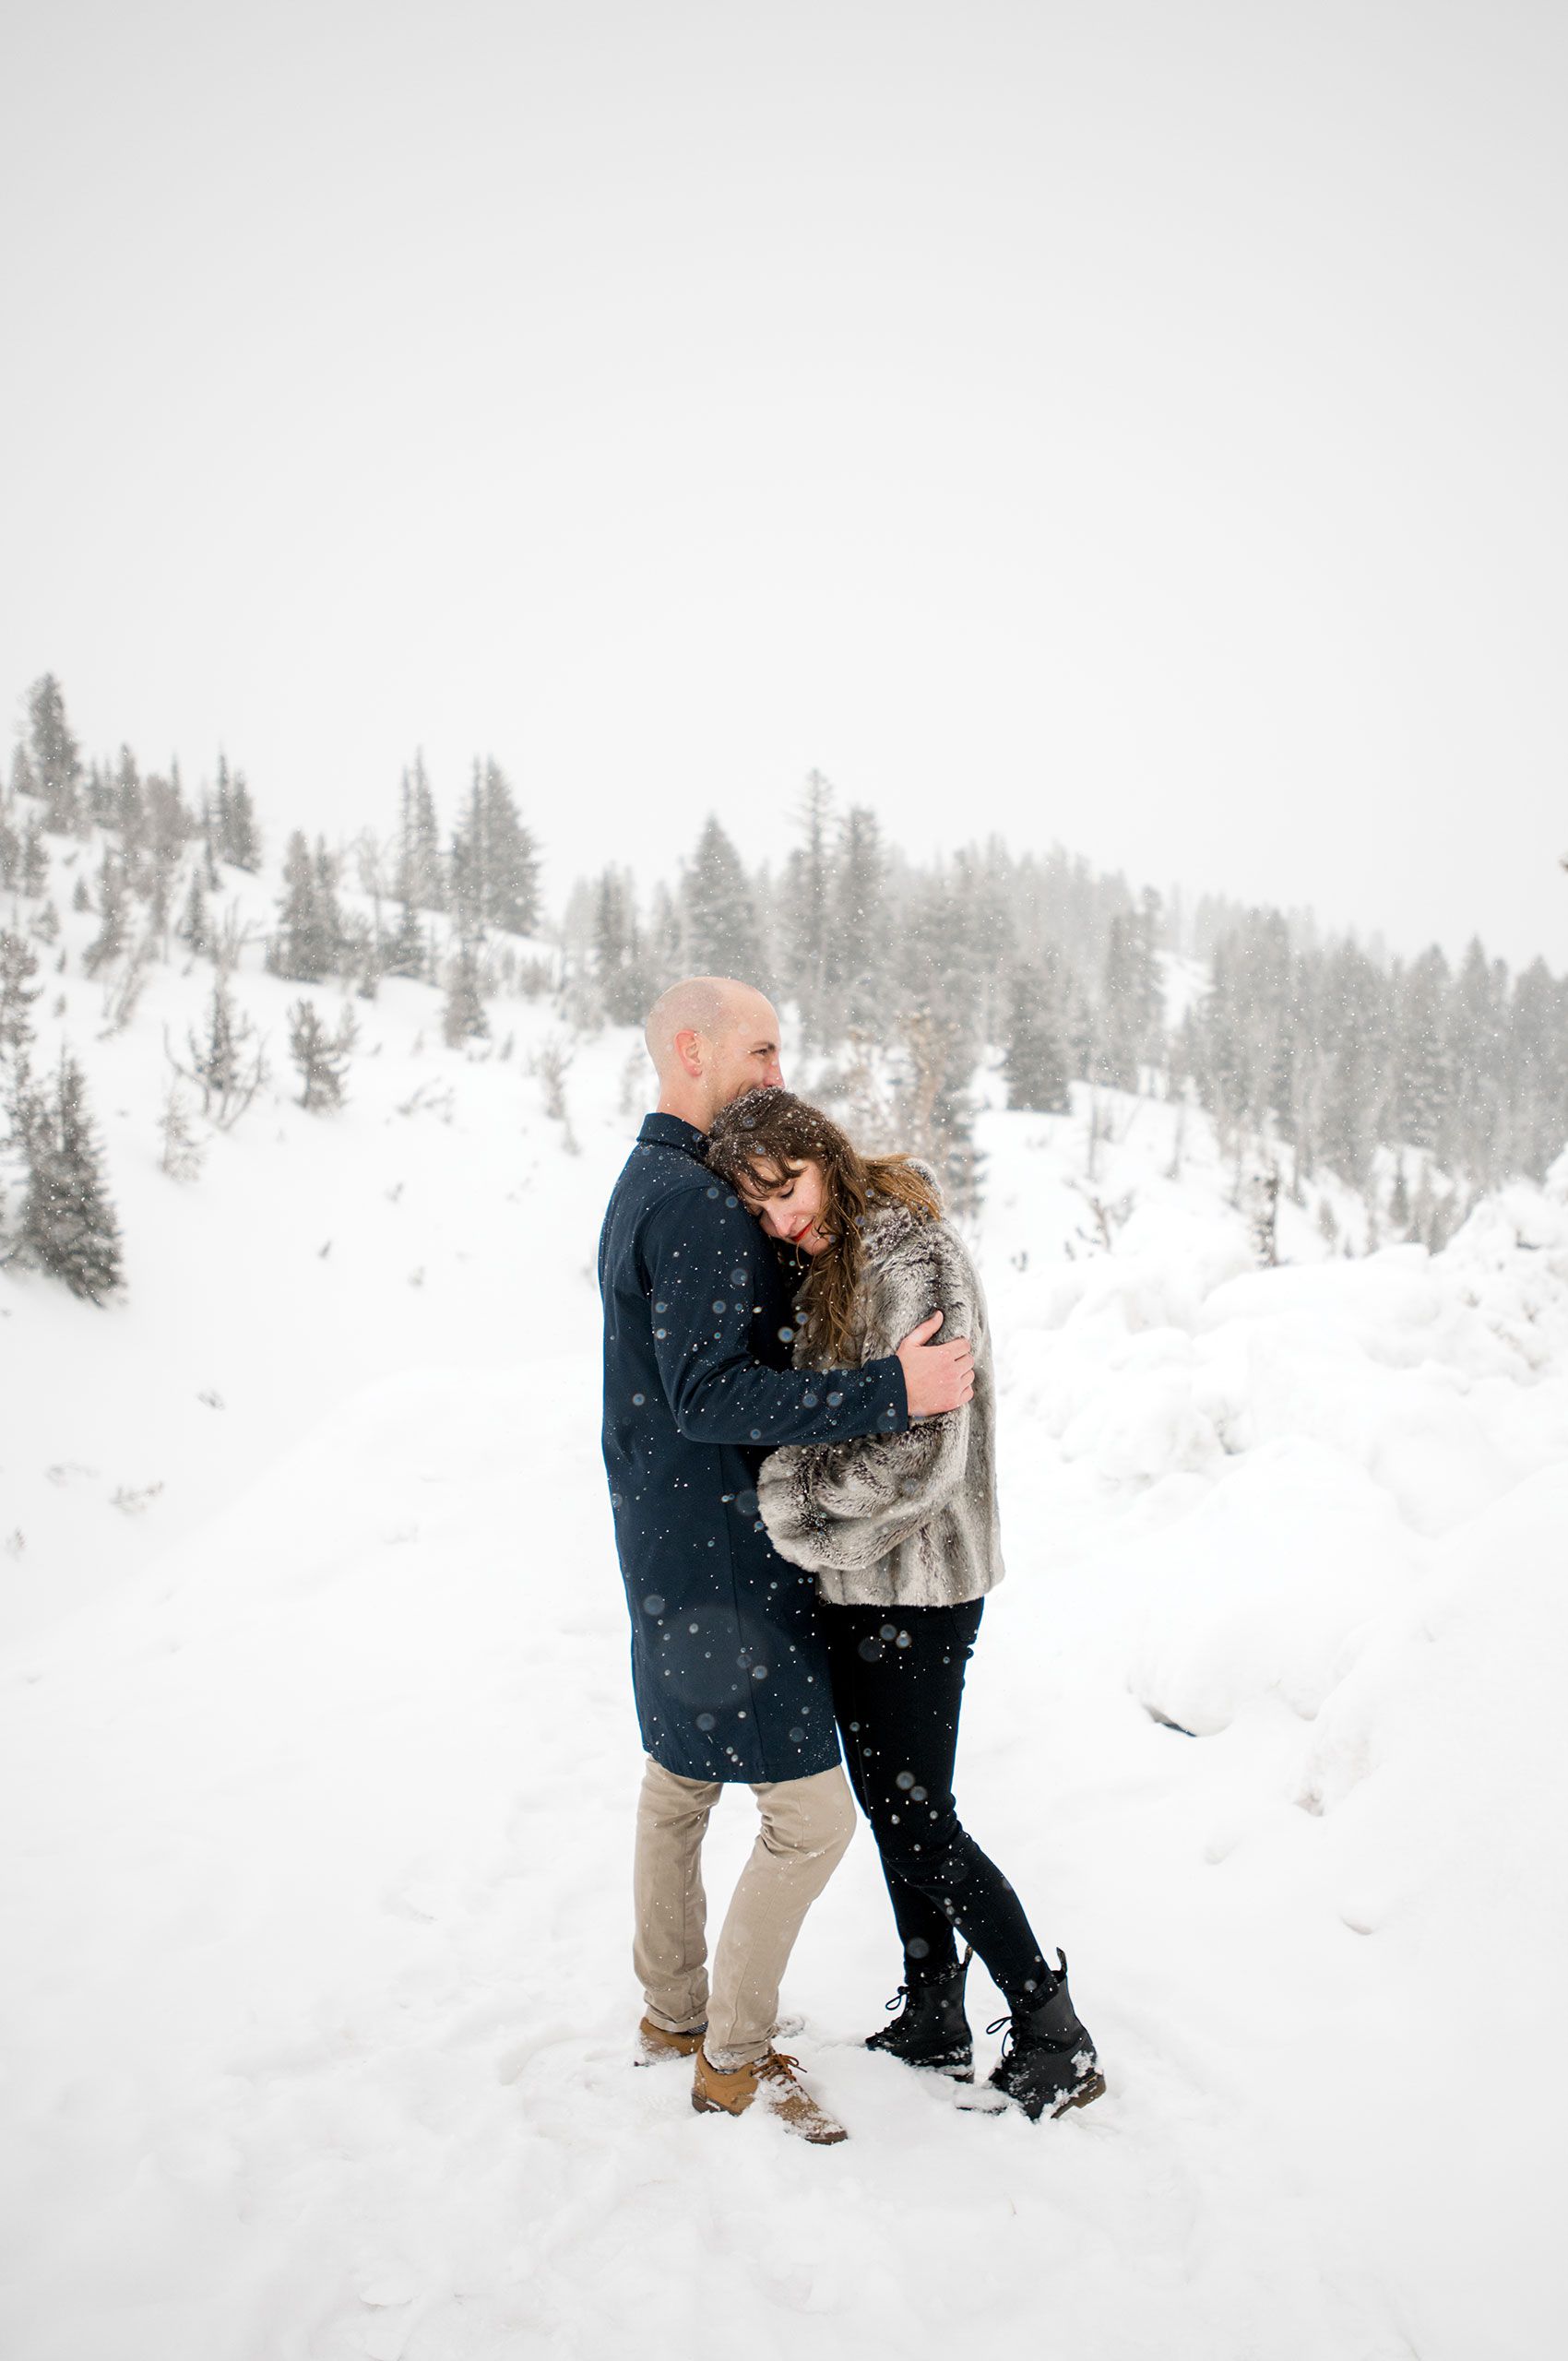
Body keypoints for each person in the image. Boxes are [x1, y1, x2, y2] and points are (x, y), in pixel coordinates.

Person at [598, 978, 976, 2144]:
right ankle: (732, 2054)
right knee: (810, 1819)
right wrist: (890, 1387)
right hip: (724, 1561)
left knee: (677, 1784)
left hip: (660, 1539)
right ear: (693, 1047)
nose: (774, 1068)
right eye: (759, 1046)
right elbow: (710, 1393)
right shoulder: (704, 1208)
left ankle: (672, 2014)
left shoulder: (641, 1183)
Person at [707, 1086, 1106, 2123]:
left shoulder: (906, 1255)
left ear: (824, 1156)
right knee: (898, 1812)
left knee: (918, 1819)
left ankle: (1049, 2021)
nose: (782, 1220)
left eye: (787, 1189)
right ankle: (933, 2008)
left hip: (918, 1587)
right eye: (761, 1210)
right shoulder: (833, 1255)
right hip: (857, 1584)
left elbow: (924, 1451)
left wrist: (789, 1504)